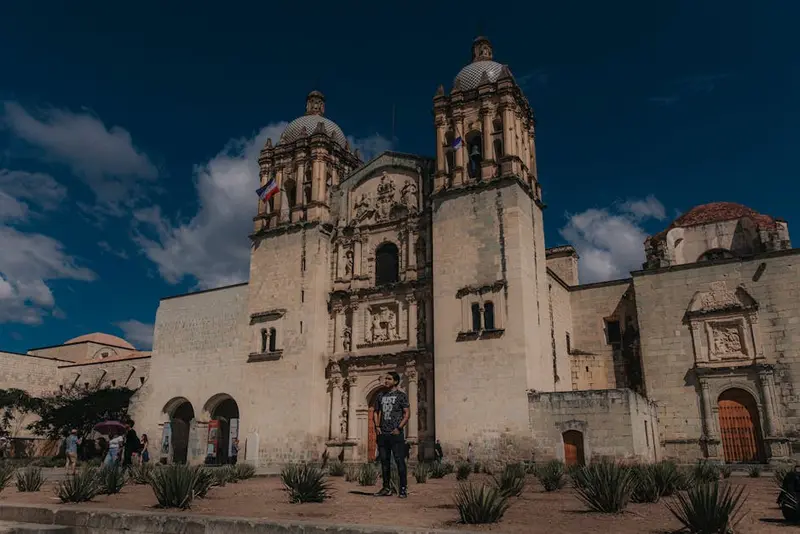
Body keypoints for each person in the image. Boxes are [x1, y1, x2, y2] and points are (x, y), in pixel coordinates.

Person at [373, 372, 410, 498]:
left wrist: (399, 428)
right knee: (384, 462)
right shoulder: (380, 395)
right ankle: (386, 488)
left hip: (396, 434)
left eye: (389, 379)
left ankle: (403, 489)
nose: (386, 381)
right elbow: (376, 412)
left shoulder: (401, 396)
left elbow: (407, 414)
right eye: (386, 378)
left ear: (396, 381)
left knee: (400, 462)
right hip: (383, 434)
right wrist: (377, 426)